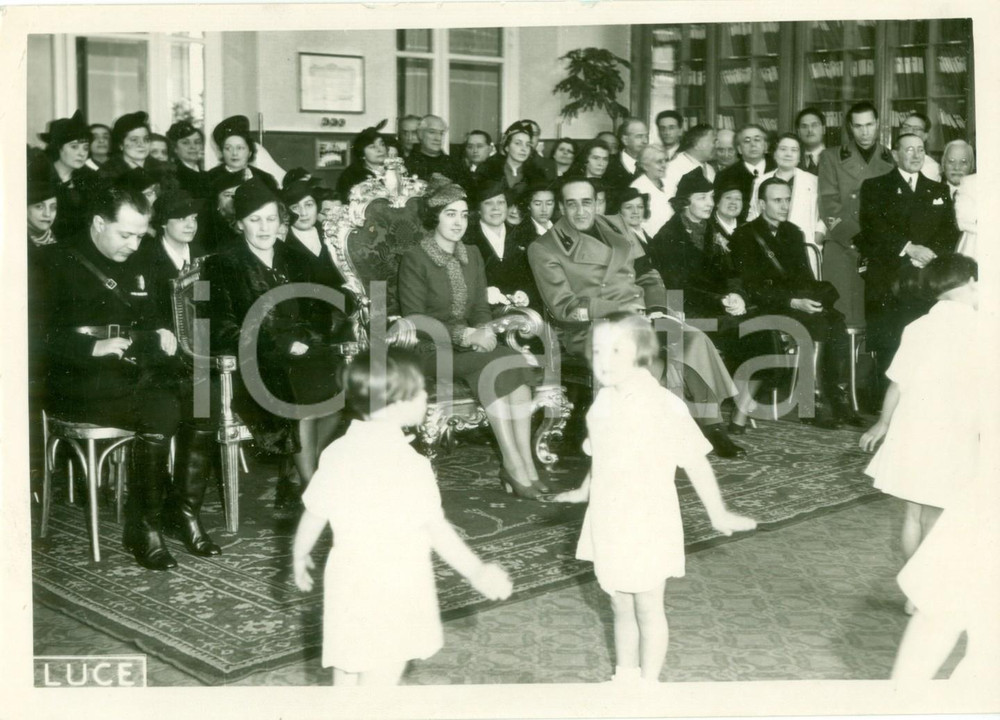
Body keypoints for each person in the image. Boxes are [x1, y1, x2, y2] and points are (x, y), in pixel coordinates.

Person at [552, 313, 756, 683]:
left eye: (616, 350)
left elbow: (695, 463)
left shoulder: (663, 404)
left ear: (643, 354)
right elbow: (601, 454)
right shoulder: (602, 403)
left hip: (647, 520)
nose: (604, 361)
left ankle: (649, 686)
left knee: (647, 607)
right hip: (608, 518)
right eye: (597, 351)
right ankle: (625, 678)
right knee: (618, 603)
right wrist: (584, 490)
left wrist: (718, 513)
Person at [292, 349, 513, 686]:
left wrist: (300, 553)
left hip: (347, 579)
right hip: (393, 582)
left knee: (349, 663)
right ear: (396, 405)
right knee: (384, 670)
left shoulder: (336, 453)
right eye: (420, 390)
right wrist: (476, 570)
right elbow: (436, 529)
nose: (427, 395)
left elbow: (314, 512)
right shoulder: (410, 465)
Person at [528, 178, 745, 457]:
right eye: (572, 204)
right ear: (561, 207)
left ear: (597, 203)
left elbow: (647, 273)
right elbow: (563, 307)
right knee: (648, 360)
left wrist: (657, 306)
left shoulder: (614, 226)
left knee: (693, 341)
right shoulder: (545, 247)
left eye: (587, 203)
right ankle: (657, 437)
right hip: (592, 328)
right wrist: (616, 311)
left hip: (642, 315)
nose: (580, 211)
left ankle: (712, 427)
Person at [39, 186, 182, 570]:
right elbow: (29, 335)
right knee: (162, 408)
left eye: (140, 235)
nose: (135, 245)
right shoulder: (53, 260)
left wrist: (161, 332)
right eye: (125, 234)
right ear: (99, 223)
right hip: (73, 380)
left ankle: (172, 515)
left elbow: (150, 316)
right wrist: (89, 349)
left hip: (127, 374)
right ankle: (148, 527)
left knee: (189, 394)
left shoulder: (139, 262)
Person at [204, 178, 350, 500]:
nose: (264, 227)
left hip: (303, 351)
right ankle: (311, 487)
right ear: (239, 223)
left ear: (281, 219)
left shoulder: (293, 257)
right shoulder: (222, 264)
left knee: (342, 386)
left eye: (271, 218)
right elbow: (218, 328)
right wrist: (278, 344)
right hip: (255, 361)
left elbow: (318, 313)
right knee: (299, 391)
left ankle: (298, 472)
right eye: (254, 219)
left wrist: (307, 339)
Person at [398, 182, 546, 497]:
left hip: (470, 347)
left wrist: (485, 331)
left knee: (514, 361)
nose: (458, 222)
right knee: (492, 365)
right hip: (428, 348)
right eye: (450, 214)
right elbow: (415, 319)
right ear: (434, 218)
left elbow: (480, 307)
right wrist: (466, 334)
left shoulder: (474, 254)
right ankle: (511, 463)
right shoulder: (415, 258)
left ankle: (526, 462)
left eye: (464, 215)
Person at [859, 254, 979, 614]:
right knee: (937, 515)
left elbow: (897, 383)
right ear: (971, 283)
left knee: (913, 513)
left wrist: (882, 423)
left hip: (913, 427)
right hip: (953, 428)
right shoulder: (982, 326)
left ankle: (913, 593)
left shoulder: (918, 327)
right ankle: (927, 591)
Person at [131, 189, 223, 557]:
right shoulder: (145, 260)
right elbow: (138, 316)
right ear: (162, 224)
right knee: (161, 422)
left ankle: (186, 514)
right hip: (154, 368)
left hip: (195, 364)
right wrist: (158, 332)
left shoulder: (203, 261)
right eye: (181, 217)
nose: (190, 223)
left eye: (194, 218)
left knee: (206, 415)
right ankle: (147, 526)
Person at [731, 178, 860, 428]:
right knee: (817, 322)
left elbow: (805, 276)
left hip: (797, 302)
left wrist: (809, 299)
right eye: (777, 200)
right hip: (767, 305)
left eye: (788, 199)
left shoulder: (793, 232)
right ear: (760, 203)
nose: (784, 205)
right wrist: (793, 302)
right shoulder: (745, 235)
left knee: (835, 319)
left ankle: (837, 396)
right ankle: (811, 402)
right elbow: (751, 287)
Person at [856, 132, 959, 375]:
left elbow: (949, 233)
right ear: (895, 154)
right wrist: (909, 248)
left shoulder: (938, 190)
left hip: (926, 275)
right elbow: (873, 228)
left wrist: (930, 253)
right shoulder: (875, 187)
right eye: (909, 149)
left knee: (927, 341)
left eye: (920, 149)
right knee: (891, 342)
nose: (916, 155)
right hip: (888, 274)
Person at [818, 100, 895, 329]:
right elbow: (828, 204)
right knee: (842, 315)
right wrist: (855, 239)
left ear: (878, 124)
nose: (864, 132)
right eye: (858, 126)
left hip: (878, 248)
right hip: (844, 245)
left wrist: (876, 242)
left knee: (875, 315)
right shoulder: (831, 157)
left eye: (869, 125)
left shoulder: (892, 159)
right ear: (850, 127)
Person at [747, 133, 826, 278]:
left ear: (800, 155)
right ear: (774, 153)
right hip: (769, 247)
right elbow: (753, 212)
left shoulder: (814, 182)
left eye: (794, 150)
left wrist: (819, 233)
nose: (788, 154)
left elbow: (826, 212)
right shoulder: (760, 181)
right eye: (783, 149)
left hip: (804, 246)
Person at [463, 179, 541, 309]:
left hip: (519, 314)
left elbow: (535, 281)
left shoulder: (524, 238)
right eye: (488, 203)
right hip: (481, 315)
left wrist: (526, 294)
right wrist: (482, 294)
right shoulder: (467, 240)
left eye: (501, 202)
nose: (496, 208)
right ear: (478, 209)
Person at [40, 110, 98, 241]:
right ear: (58, 148)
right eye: (74, 147)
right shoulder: (41, 177)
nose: (81, 153)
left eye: (85, 147)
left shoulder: (89, 178)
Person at [658, 123, 717, 226]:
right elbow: (667, 205)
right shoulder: (672, 168)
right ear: (699, 144)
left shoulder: (710, 170)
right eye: (713, 141)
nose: (716, 146)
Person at [715, 123, 775, 223]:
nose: (753, 144)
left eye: (757, 139)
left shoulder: (778, 169)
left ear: (765, 146)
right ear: (739, 149)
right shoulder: (725, 176)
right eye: (747, 141)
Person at [206, 115, 278, 190]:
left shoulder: (265, 179)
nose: (234, 153)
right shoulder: (210, 179)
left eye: (240, 148)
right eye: (228, 148)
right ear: (222, 152)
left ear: (250, 152)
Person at [479, 121, 546, 197]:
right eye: (518, 143)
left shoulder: (537, 174)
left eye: (527, 145)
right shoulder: (488, 170)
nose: (524, 149)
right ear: (507, 147)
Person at [98, 111, 163, 183]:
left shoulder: (163, 170)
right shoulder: (106, 174)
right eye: (134, 140)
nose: (141, 144)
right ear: (121, 145)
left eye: (146, 139)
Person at [405, 115, 469, 188]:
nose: (438, 138)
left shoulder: (455, 164)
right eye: (432, 132)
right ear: (420, 134)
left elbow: (471, 195)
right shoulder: (407, 164)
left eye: (441, 133)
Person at [335, 120, 390, 202]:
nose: (380, 150)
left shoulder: (395, 169)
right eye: (372, 147)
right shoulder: (350, 175)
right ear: (362, 154)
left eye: (382, 144)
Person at [629, 145, 671, 236]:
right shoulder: (638, 188)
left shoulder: (669, 183)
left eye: (665, 161)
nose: (664, 165)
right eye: (659, 162)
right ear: (645, 166)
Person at [197, 171, 244, 252]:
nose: (234, 199)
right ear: (217, 200)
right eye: (228, 195)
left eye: (238, 193)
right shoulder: (208, 225)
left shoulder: (248, 218)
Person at [166, 120, 208, 200]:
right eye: (185, 143)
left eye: (197, 142)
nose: (193, 147)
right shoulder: (172, 177)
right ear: (175, 148)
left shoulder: (208, 176)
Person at [604, 118, 648, 191]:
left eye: (646, 136)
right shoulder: (610, 165)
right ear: (625, 140)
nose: (645, 141)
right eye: (639, 136)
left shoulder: (651, 164)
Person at [899, 112, 941, 182]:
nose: (909, 131)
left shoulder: (930, 167)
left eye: (916, 129)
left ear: (925, 136)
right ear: (900, 132)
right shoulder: (889, 159)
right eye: (906, 127)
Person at [795, 108, 826, 175]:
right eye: (804, 126)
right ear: (798, 132)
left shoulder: (835, 158)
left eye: (814, 125)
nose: (809, 130)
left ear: (823, 129)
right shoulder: (793, 159)